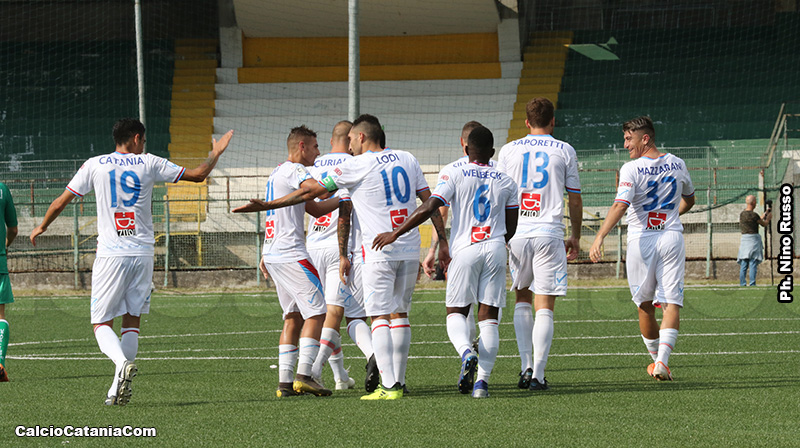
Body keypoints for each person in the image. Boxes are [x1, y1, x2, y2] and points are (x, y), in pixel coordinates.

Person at [236, 114, 448, 400]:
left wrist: (268, 206)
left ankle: (378, 383)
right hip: (408, 246)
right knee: (398, 315)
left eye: (351, 139)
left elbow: (313, 194)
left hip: (369, 249)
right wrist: (441, 242)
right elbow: (430, 201)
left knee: (368, 316)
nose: (348, 146)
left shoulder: (351, 165)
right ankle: (394, 380)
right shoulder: (407, 158)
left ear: (360, 137)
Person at [30, 118, 234, 405]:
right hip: (142, 254)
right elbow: (199, 175)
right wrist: (216, 153)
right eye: (144, 140)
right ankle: (116, 389)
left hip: (111, 254)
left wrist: (42, 226)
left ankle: (120, 364)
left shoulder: (95, 164)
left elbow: (60, 202)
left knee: (101, 322)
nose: (144, 145)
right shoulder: (149, 162)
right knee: (132, 318)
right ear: (137, 138)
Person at [373, 126, 518, 398]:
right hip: (496, 248)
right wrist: (497, 242)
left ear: (466, 149)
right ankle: (482, 384)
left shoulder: (454, 172)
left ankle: (466, 352)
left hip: (465, 249)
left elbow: (430, 207)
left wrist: (396, 232)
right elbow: (512, 226)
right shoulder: (507, 180)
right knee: (489, 318)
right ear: (492, 152)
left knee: (455, 312)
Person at [234, 125, 339, 398]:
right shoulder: (295, 170)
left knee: (293, 317)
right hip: (291, 254)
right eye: (315, 146)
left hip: (274, 253)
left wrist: (343, 201)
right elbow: (316, 191)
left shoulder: (277, 173)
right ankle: (305, 375)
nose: (318, 152)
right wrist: (342, 179)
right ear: (302, 146)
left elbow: (316, 209)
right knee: (317, 312)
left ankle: (284, 382)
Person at [589, 116, 695, 381]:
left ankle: (657, 361)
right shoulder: (678, 163)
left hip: (641, 240)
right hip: (671, 237)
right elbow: (690, 199)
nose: (626, 145)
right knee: (671, 302)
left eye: (629, 139)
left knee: (644, 305)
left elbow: (620, 205)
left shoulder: (631, 168)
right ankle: (662, 362)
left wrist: (599, 237)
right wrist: (671, 216)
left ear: (645, 138)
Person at [495, 97, 582, 391]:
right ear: (553, 121)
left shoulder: (509, 150)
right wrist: (576, 236)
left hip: (518, 232)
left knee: (522, 298)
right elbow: (574, 198)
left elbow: (499, 194)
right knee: (545, 304)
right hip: (549, 232)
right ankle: (539, 375)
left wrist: (502, 233)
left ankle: (525, 366)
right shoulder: (565, 150)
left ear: (526, 122)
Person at [305, 120, 375, 391]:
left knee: (320, 314)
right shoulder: (352, 165)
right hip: (340, 247)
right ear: (350, 140)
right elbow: (346, 208)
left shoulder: (313, 166)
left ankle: (340, 376)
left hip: (311, 245)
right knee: (340, 312)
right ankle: (314, 369)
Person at [0, 181, 18, 382]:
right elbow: (13, 229)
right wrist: (5, 246)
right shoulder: (3, 189)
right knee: (0, 316)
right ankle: (0, 363)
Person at [737, 195, 771, 286]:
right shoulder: (754, 215)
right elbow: (763, 224)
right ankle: (752, 282)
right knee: (753, 262)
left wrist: (765, 214)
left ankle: (742, 283)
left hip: (745, 240)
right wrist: (768, 219)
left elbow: (756, 219)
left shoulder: (742, 214)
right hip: (753, 240)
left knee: (744, 263)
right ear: (753, 203)